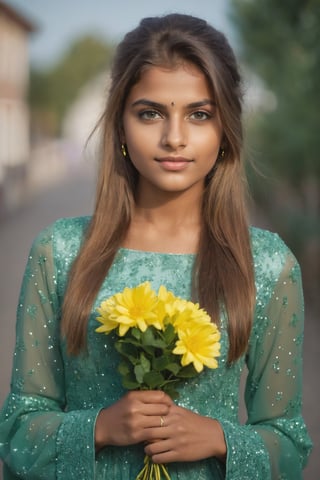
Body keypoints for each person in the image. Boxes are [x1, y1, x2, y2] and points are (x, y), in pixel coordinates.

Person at [0, 13, 312, 480]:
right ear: (121, 125)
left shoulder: (266, 264)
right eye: (151, 113)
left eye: (199, 114)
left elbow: (288, 442)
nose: (174, 138)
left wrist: (219, 438)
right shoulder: (61, 252)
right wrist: (99, 428)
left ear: (226, 129)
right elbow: (18, 431)